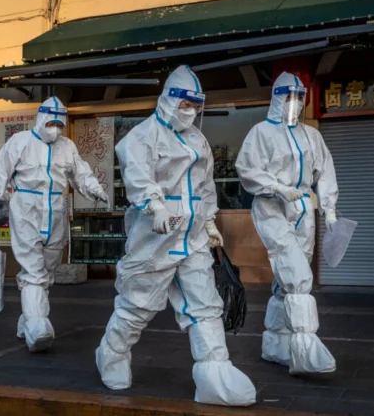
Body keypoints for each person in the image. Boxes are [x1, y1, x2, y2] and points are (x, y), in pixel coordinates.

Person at [95, 66, 256, 407]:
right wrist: (156, 208)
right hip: (154, 239)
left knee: (205, 305)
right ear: (168, 99)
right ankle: (111, 353)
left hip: (193, 237)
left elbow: (205, 186)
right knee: (137, 304)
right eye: (185, 103)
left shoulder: (198, 140)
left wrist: (210, 223)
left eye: (196, 105)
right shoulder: (141, 137)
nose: (190, 111)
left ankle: (215, 373)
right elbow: (139, 179)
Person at [0, 97, 107, 352]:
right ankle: (38, 326)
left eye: (60, 123)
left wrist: (95, 189)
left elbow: (81, 173)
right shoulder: (20, 142)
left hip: (55, 208)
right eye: (51, 122)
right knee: (34, 269)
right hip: (26, 207)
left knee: (47, 271)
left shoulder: (67, 146)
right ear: (40, 118)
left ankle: (27, 319)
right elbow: (0, 172)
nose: (55, 128)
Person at [235, 72, 339, 374]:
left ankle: (276, 345)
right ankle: (305, 348)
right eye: (290, 97)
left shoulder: (311, 135)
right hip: (271, 206)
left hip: (304, 207)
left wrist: (329, 209)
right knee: (297, 275)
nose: (295, 103)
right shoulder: (261, 133)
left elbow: (325, 170)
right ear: (278, 99)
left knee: (288, 281)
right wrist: (278, 187)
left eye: (299, 98)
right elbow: (246, 168)